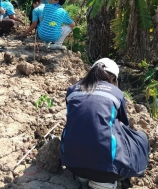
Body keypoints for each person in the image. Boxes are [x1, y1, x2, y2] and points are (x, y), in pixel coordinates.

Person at [59, 58, 150, 189]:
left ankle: (83, 176)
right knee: (140, 138)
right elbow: (123, 125)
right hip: (106, 170)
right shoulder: (116, 93)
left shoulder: (72, 90)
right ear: (113, 79)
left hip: (72, 165)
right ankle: (103, 182)